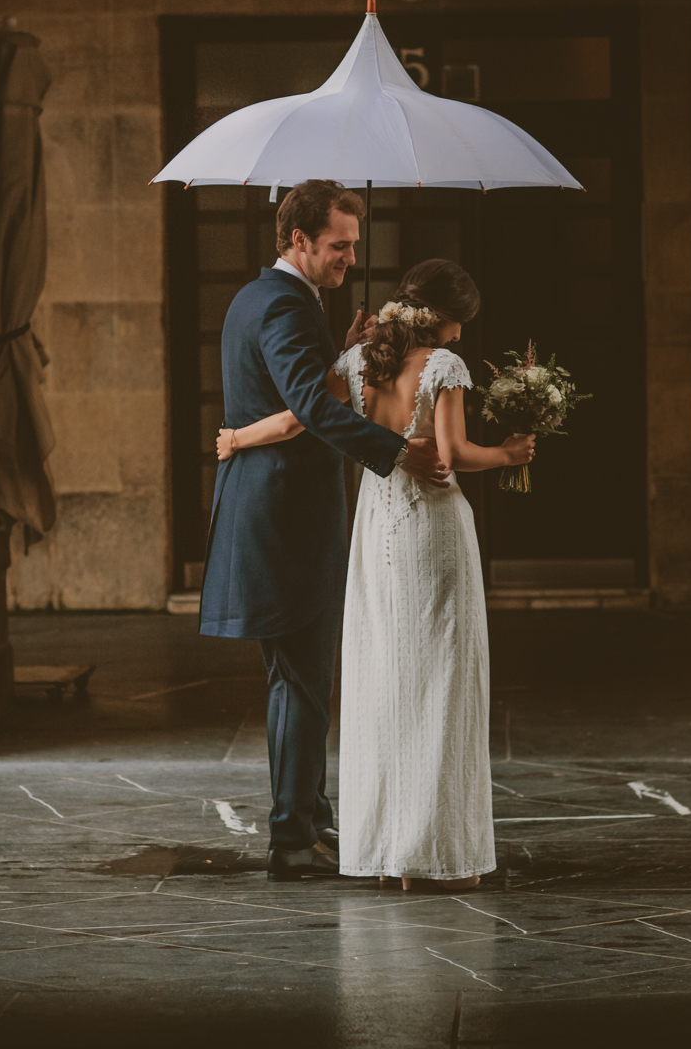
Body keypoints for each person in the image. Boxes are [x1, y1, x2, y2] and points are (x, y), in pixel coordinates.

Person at [219, 258, 533, 891]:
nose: (462, 335)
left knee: (382, 676)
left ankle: (387, 852)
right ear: (442, 316)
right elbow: (449, 458)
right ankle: (438, 853)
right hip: (434, 531)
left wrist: (236, 439)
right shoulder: (444, 367)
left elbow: (300, 416)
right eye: (459, 321)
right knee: (442, 679)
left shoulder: (358, 361)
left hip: (373, 531)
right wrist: (509, 454)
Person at [199, 180, 451, 883]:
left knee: (299, 678)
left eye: (352, 246)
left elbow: (298, 388)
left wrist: (339, 350)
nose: (348, 258)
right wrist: (395, 451)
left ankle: (310, 819)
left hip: (273, 512)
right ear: (299, 240)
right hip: (284, 519)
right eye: (338, 246)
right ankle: (291, 837)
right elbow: (308, 405)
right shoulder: (282, 305)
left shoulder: (266, 298)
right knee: (302, 682)